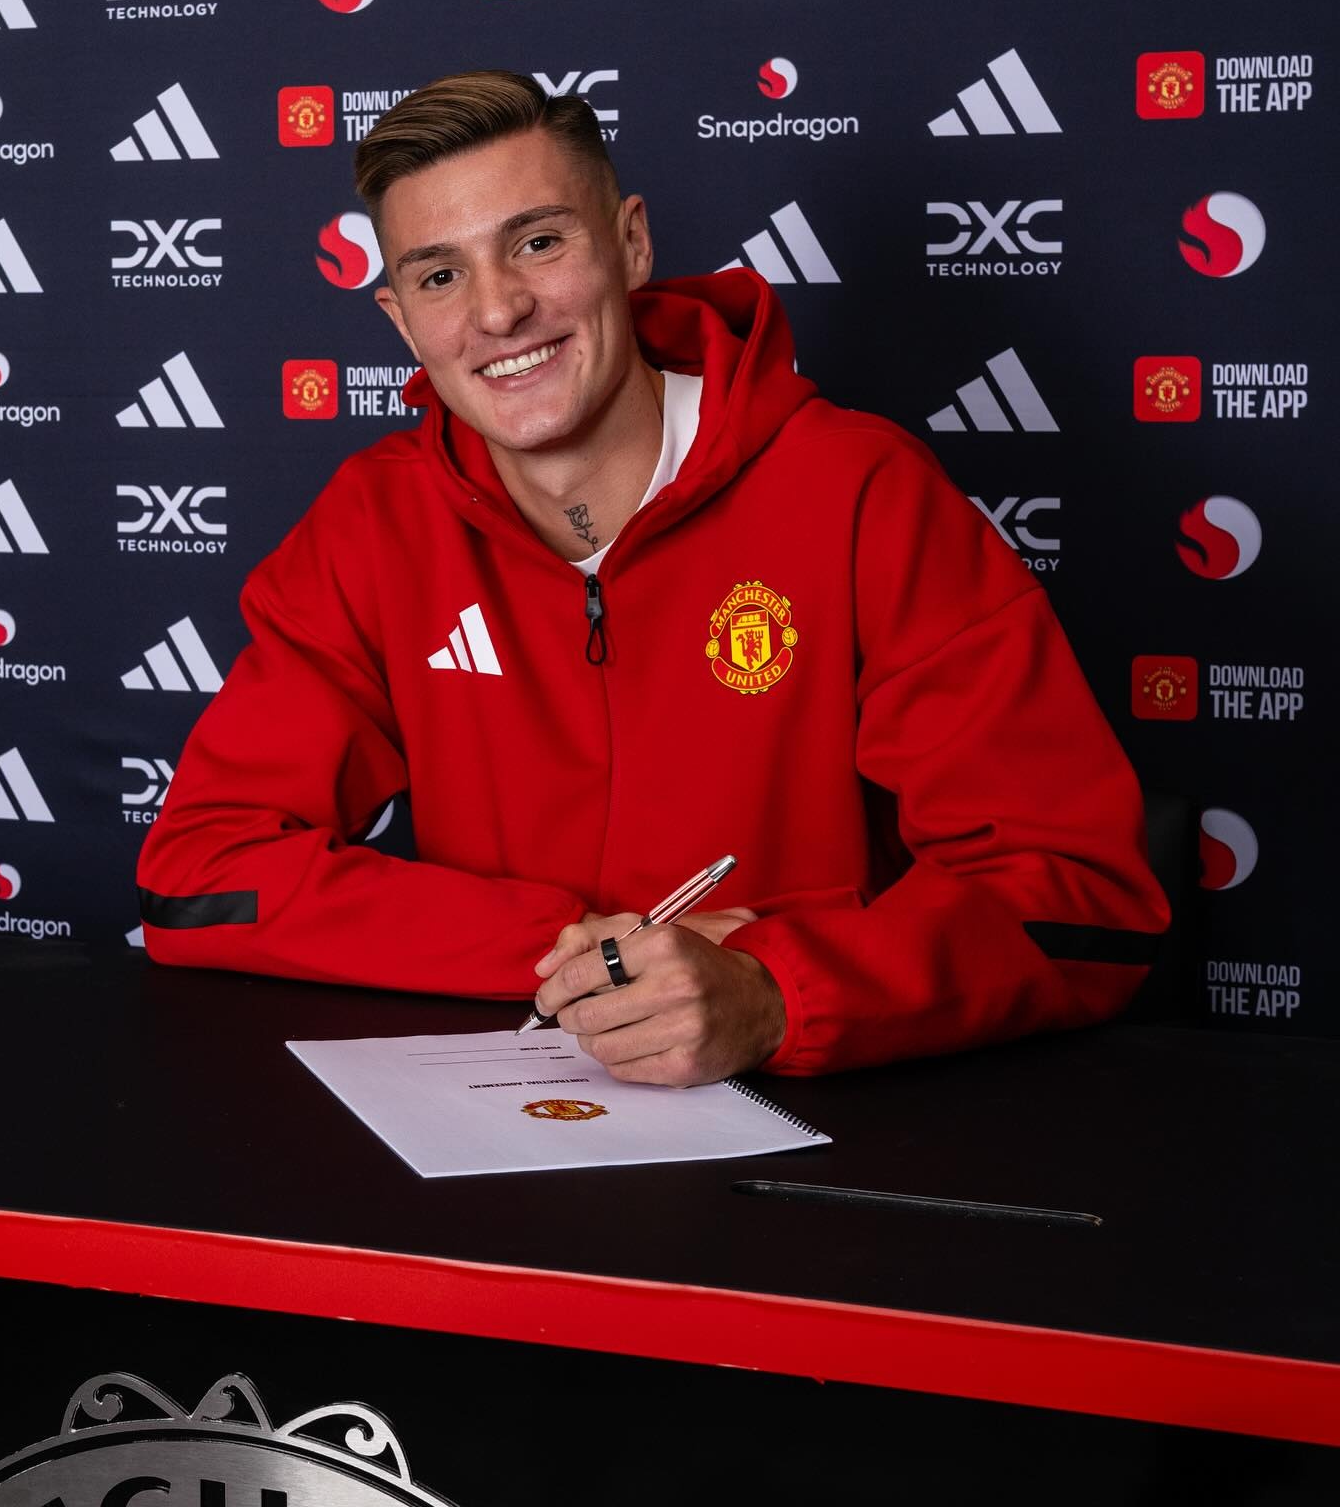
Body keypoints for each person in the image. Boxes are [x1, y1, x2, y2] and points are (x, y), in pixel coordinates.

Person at [138, 70, 1168, 1085]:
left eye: (538, 242)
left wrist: (774, 989)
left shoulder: (861, 491)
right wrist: (580, 952)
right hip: (506, 1103)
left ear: (631, 244)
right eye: (439, 276)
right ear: (402, 321)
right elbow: (202, 873)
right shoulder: (374, 524)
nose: (498, 310)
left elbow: (1080, 905)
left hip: (819, 1119)